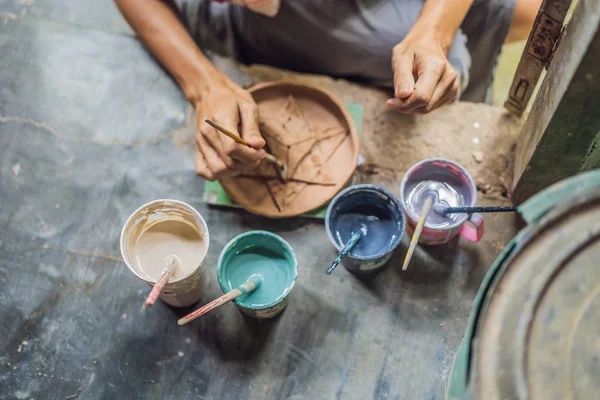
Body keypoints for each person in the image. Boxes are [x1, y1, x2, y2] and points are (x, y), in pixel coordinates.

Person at [115, 0, 539, 181]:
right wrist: (204, 86)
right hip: (264, 19)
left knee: (519, 16)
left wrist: (435, 32)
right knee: (456, 51)